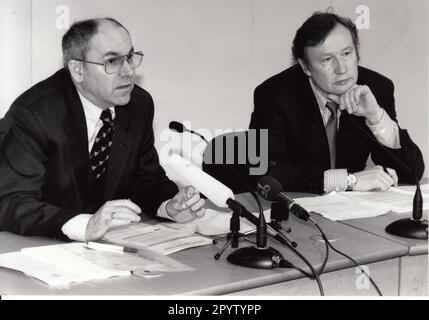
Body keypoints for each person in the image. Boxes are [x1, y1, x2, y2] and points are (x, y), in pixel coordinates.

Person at [0, 18, 205, 242]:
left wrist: (169, 206)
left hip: (109, 250)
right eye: (112, 61)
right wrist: (85, 225)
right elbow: (12, 201)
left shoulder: (138, 104)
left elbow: (145, 179)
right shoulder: (35, 114)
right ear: (78, 70)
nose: (128, 71)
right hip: (41, 244)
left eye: (129, 57)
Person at [249, 12, 424, 194]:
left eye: (347, 53)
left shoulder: (377, 88)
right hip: (298, 206)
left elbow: (412, 172)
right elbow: (263, 170)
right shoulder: (273, 95)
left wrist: (376, 117)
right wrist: (348, 180)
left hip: (351, 212)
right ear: (305, 67)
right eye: (327, 59)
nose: (342, 69)